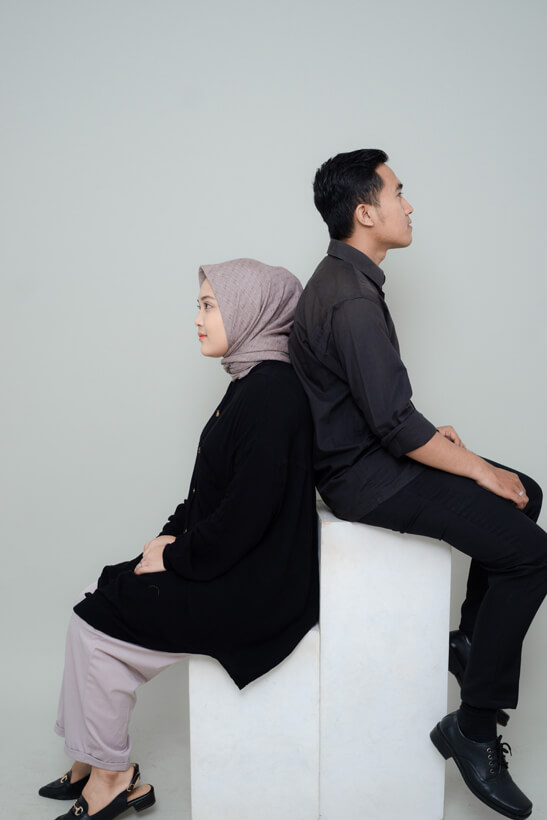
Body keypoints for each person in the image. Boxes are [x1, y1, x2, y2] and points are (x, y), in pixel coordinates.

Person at [289, 149, 547, 820]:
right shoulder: (349, 298)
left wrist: (446, 445)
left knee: (526, 491)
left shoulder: (345, 280)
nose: (409, 205)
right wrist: (475, 466)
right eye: (398, 192)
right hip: (366, 479)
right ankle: (473, 727)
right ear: (365, 212)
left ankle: (469, 644)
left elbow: (381, 408)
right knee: (532, 553)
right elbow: (395, 425)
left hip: (373, 457)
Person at [39, 258, 319, 820]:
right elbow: (207, 494)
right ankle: (91, 758)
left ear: (251, 311)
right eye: (200, 305)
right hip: (233, 566)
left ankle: (113, 776)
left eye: (210, 306)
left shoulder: (272, 394)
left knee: (97, 625)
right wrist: (166, 537)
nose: (198, 318)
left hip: (257, 592)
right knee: (99, 592)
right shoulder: (249, 384)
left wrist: (174, 556)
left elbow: (245, 517)